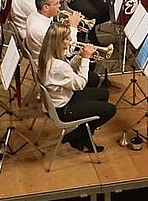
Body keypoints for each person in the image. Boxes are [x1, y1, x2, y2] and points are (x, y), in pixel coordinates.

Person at [37, 22, 116, 152]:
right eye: (67, 39)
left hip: (62, 98)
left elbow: (69, 71)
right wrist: (85, 59)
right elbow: (80, 84)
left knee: (104, 94)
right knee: (110, 110)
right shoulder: (57, 66)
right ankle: (82, 135)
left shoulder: (48, 54)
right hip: (63, 109)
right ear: (59, 42)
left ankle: (82, 134)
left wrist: (78, 57)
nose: (71, 41)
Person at [26, 0, 100, 87]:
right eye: (56, 3)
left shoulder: (34, 15)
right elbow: (68, 51)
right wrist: (73, 27)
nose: (59, 6)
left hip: (50, 58)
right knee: (91, 64)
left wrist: (67, 27)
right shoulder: (41, 30)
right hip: (52, 66)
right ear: (45, 7)